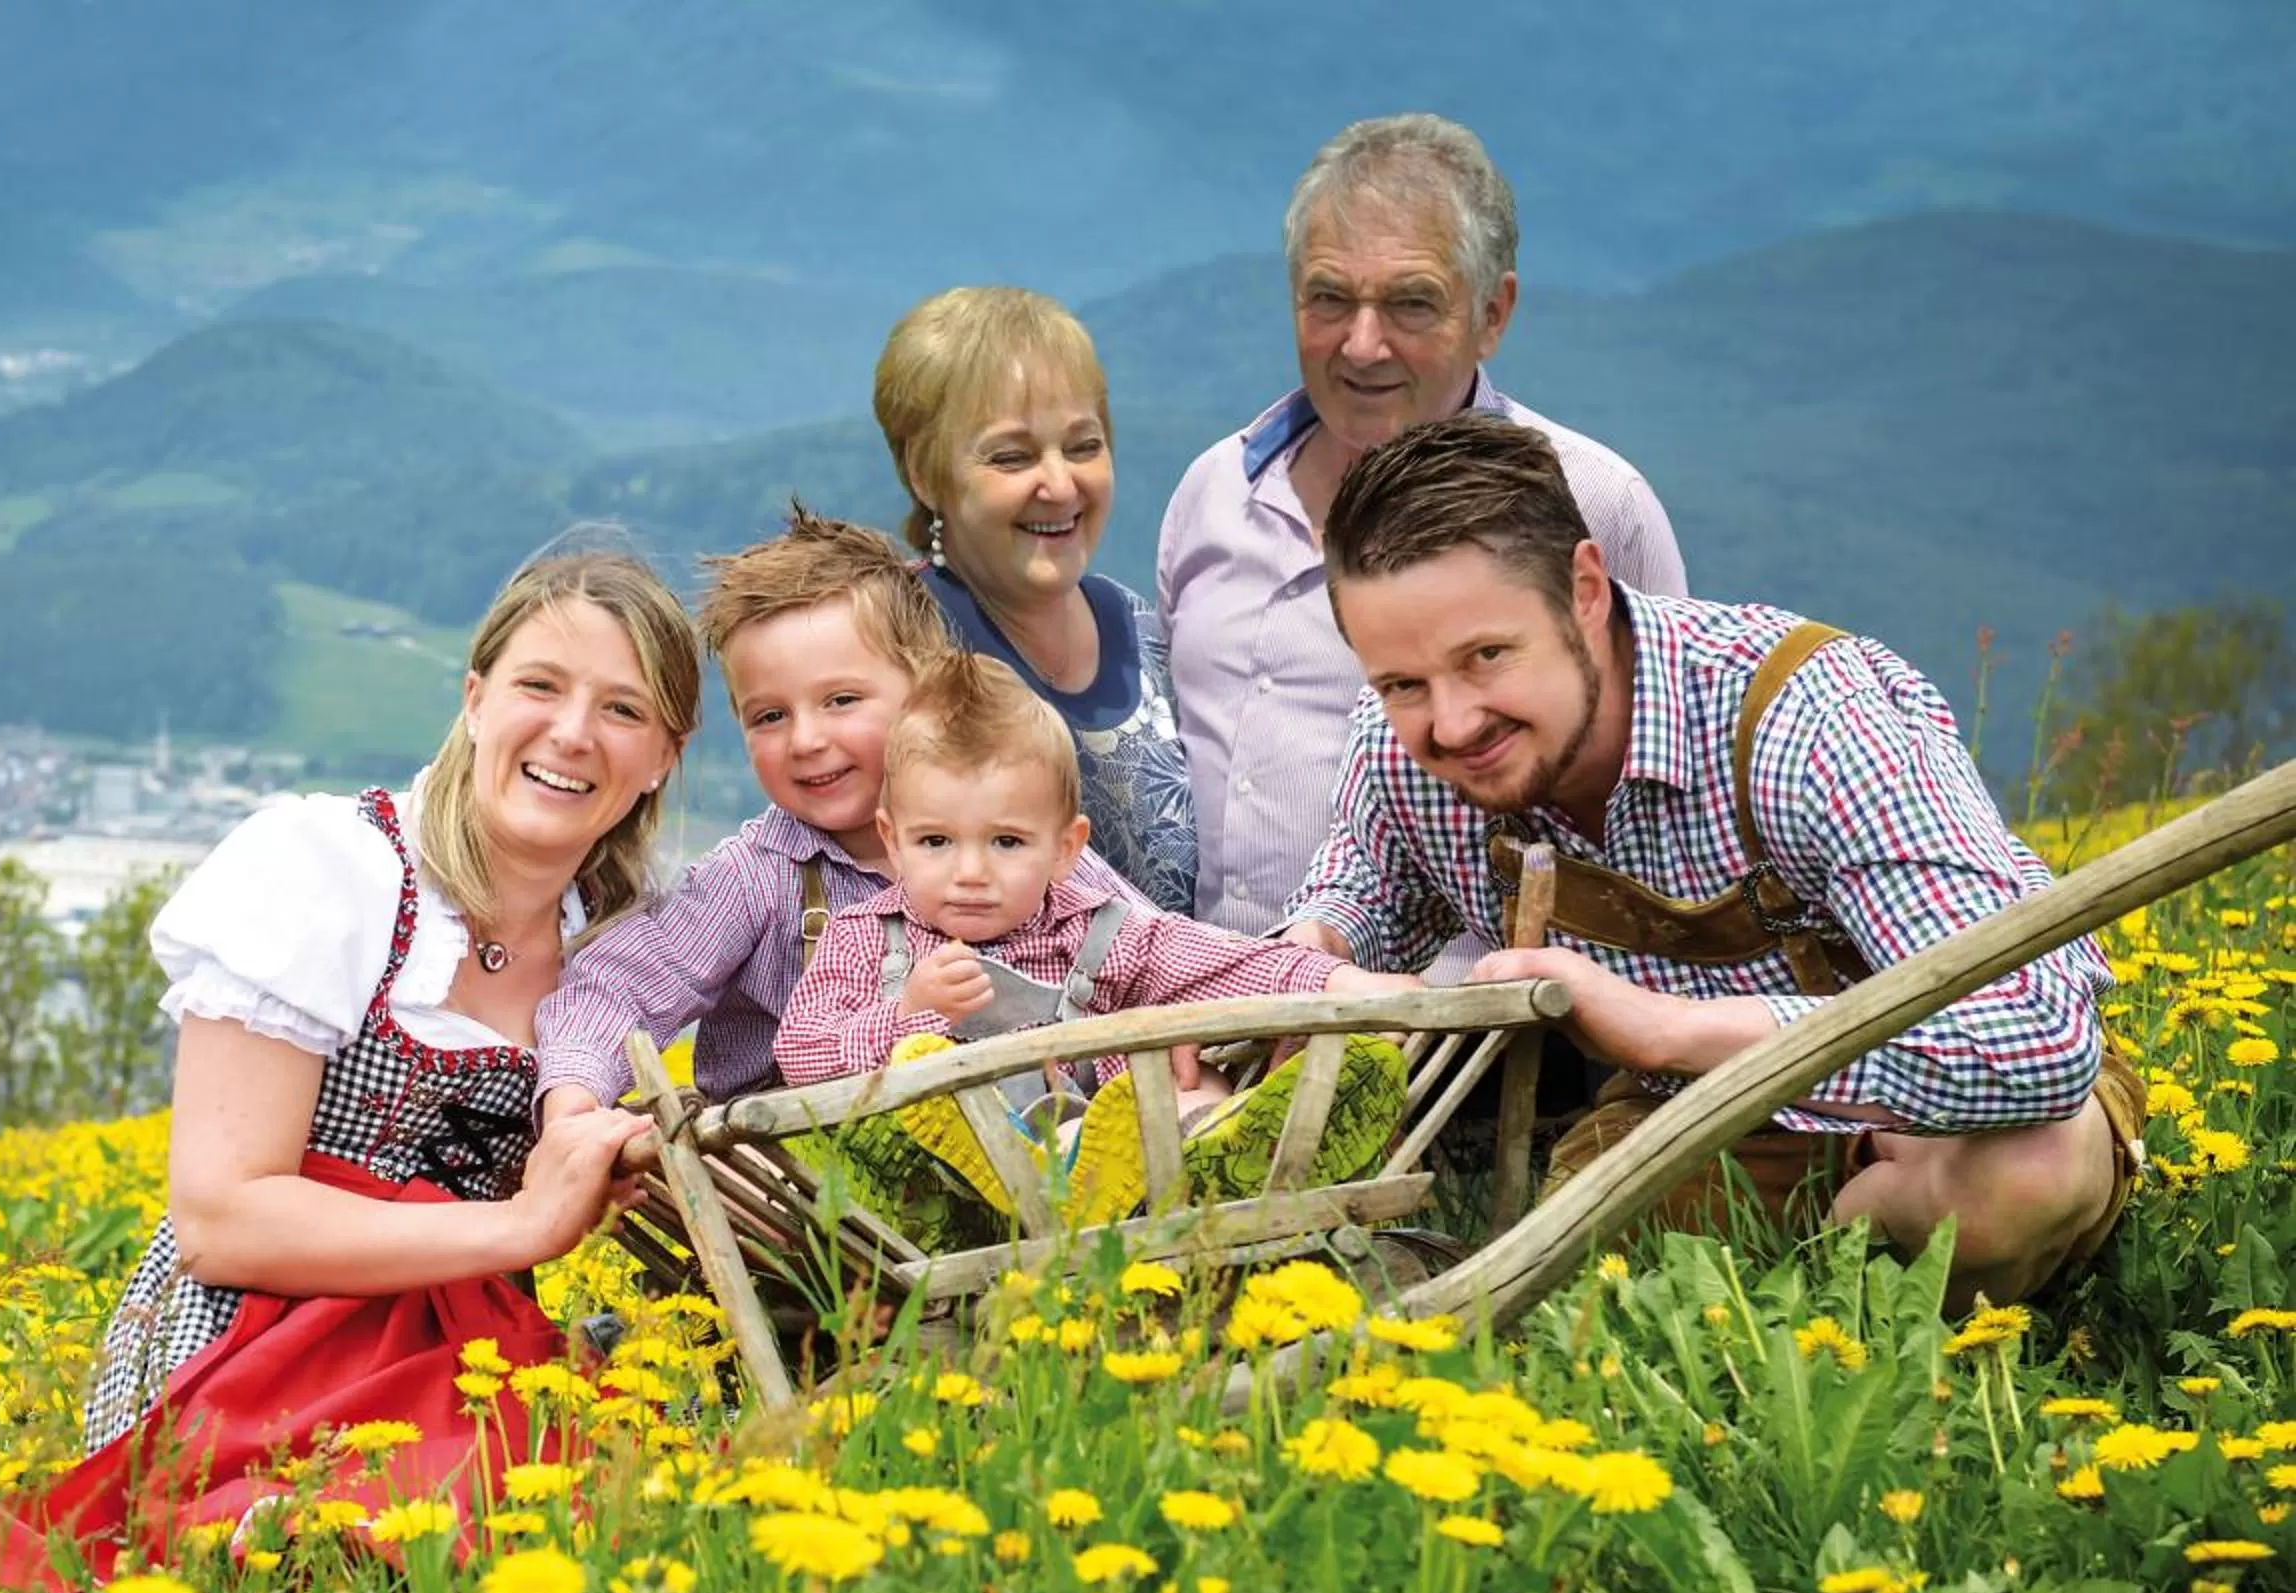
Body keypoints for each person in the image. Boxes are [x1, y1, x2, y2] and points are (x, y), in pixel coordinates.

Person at [0, 549, 699, 1592]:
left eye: (623, 709)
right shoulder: (330, 869)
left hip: (465, 1348)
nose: (574, 733)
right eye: (540, 685)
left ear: (664, 755)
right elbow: (221, 1221)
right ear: (475, 699)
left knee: (648, 1488)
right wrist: (524, 1225)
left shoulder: (625, 948)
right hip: (248, 1343)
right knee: (355, 1541)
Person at [1282, 417, 2143, 1309]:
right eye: (1402, 684)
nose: (1452, 723)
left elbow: (2033, 1041)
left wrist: (1660, 1029)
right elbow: (1358, 896)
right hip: (1685, 1119)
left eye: (1487, 656)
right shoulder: (1398, 754)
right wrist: (1305, 962)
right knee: (1570, 1300)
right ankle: (1817, 1279)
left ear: (1583, 587)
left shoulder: (1810, 719)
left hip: (1948, 1124)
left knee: (2024, 1181)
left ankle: (1878, 1270)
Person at [1159, 112, 1687, 937]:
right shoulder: (1215, 491)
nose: (1363, 346)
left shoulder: (1595, 501)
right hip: (1232, 1023)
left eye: (1411, 304)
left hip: (1501, 1037)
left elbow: (1670, 789)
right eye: (1329, 299)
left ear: (1493, 314)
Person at [532, 505, 1139, 1121]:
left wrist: (1182, 1037)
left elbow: (1144, 944)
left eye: (841, 700)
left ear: (926, 690)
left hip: (1030, 1142)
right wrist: (572, 1105)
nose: (805, 741)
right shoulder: (756, 878)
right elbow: (622, 983)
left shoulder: (1021, 836)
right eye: (769, 716)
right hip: (801, 1174)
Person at [777, 654, 1406, 1231]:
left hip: (1106, 1177)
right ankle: (1002, 1157)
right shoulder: (866, 939)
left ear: (1065, 849)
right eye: (935, 842)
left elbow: (1222, 964)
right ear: (893, 839)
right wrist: (905, 1017)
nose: (970, 872)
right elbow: (799, 1052)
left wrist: (1337, 982)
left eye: (1006, 842)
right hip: (947, 1201)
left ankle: (1222, 1156)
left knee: (1192, 1086)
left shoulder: (1099, 932)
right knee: (860, 1128)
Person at [873, 286, 1198, 914]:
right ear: (925, 474)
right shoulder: (901, 646)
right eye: (1013, 456)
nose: (1059, 483)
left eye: (1083, 446)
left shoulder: (1137, 627)